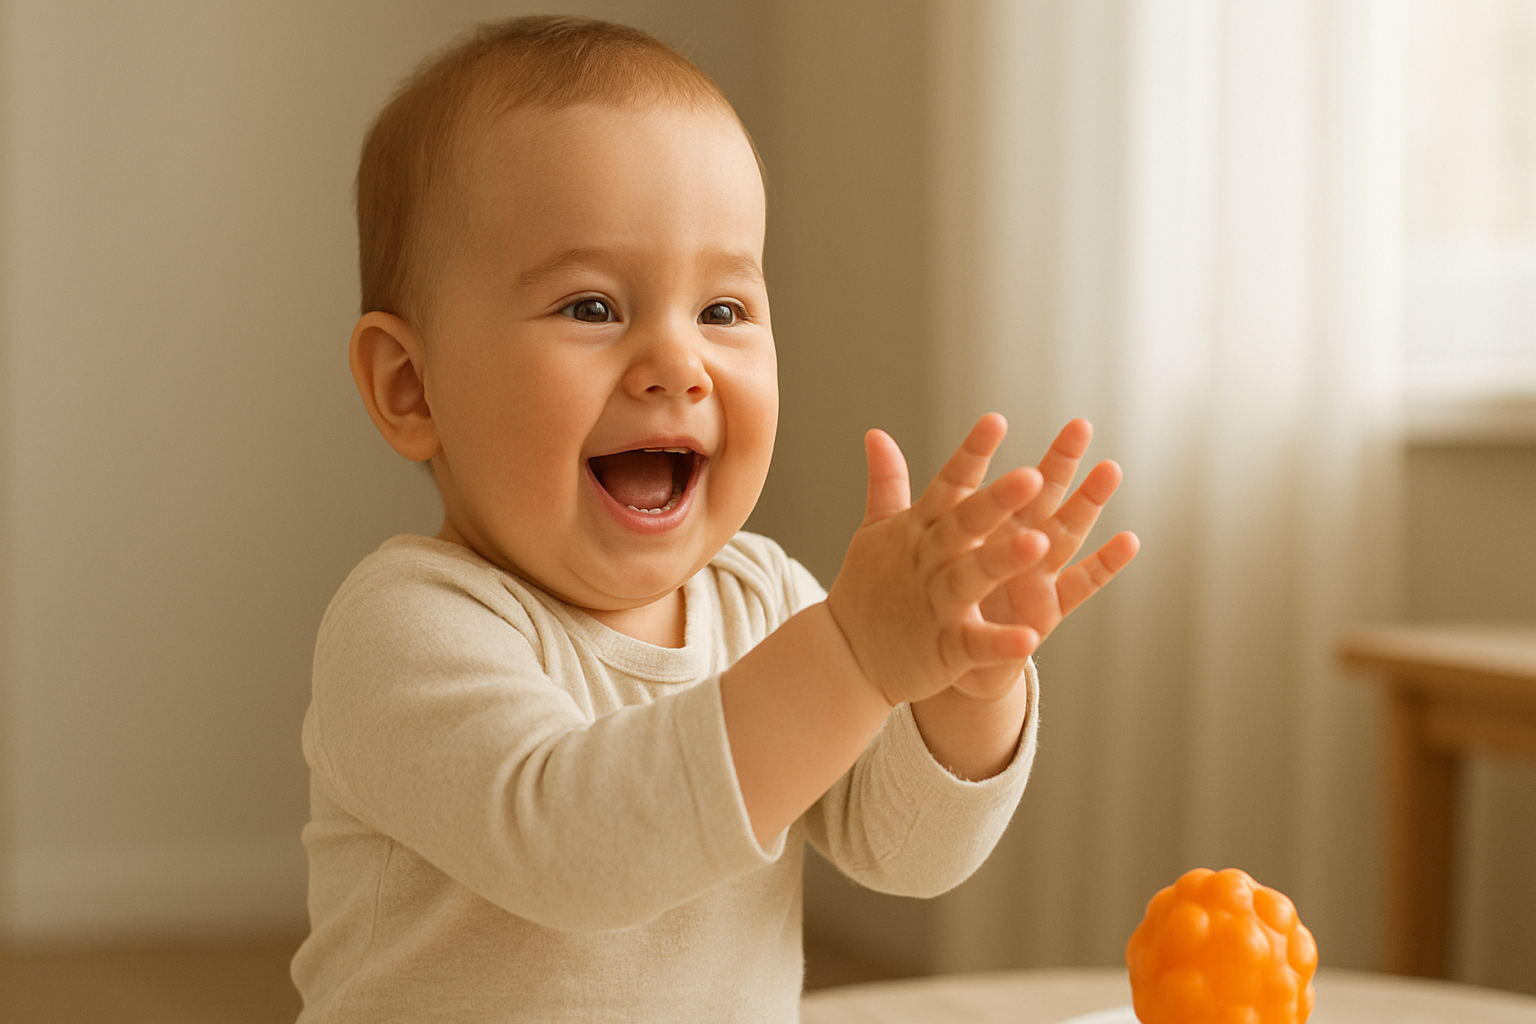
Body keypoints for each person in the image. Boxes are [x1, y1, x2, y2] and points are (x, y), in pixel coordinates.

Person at [291, 14, 1139, 1023]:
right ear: (411, 387)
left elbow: (906, 850)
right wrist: (856, 654)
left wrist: (964, 681)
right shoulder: (407, 627)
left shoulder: (768, 599)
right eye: (593, 307)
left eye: (723, 311)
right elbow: (577, 848)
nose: (676, 364)